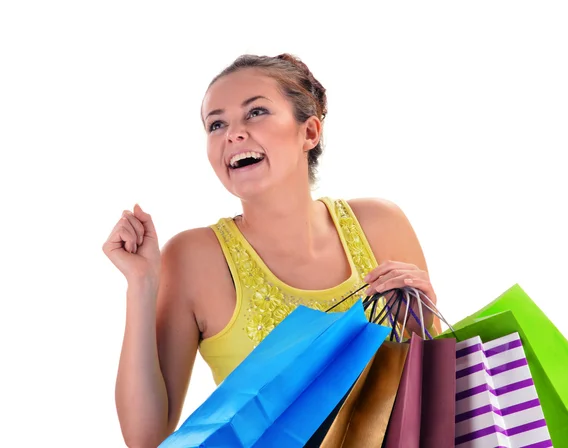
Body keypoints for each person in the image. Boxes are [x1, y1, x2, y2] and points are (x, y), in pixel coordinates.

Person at [103, 53, 442, 448]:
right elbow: (145, 438)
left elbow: (430, 398)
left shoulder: (380, 224)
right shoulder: (194, 257)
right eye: (216, 124)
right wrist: (141, 284)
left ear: (310, 132)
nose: (233, 134)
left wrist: (422, 321)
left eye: (256, 112)